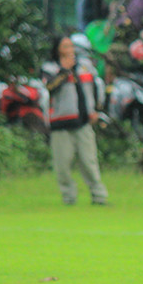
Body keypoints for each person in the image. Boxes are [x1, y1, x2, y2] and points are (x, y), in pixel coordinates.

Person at [43, 35, 109, 206]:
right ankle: (69, 198)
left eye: (71, 46)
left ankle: (99, 196)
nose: (69, 49)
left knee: (89, 161)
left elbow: (96, 88)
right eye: (65, 46)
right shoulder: (50, 68)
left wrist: (95, 110)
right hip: (60, 122)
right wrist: (64, 71)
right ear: (57, 49)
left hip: (83, 121)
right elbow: (49, 88)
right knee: (62, 165)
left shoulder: (85, 67)